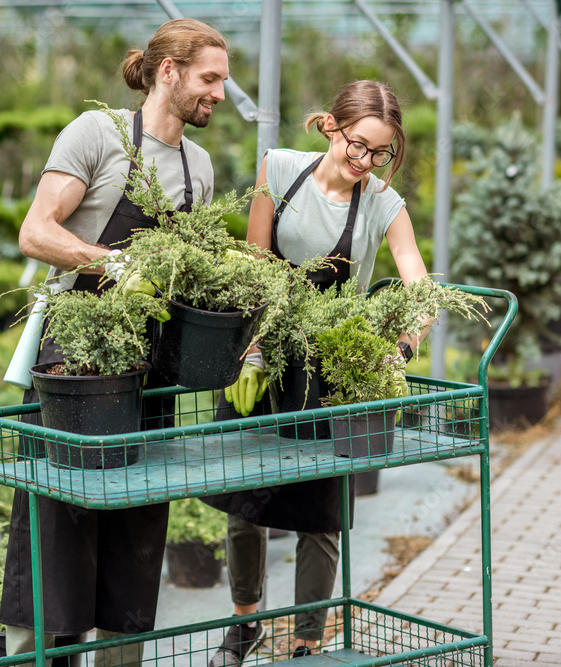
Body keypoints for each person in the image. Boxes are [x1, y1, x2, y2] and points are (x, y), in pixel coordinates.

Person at [0, 18, 229, 667]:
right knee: (56, 523)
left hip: (148, 368)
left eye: (222, 82)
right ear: (169, 71)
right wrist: (116, 265)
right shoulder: (98, 135)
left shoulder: (197, 165)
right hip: (74, 356)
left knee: (136, 529)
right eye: (210, 79)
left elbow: (187, 273)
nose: (218, 93)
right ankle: (37, 657)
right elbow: (36, 232)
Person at [204, 80, 430, 666]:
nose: (366, 162)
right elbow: (256, 264)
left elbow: (421, 290)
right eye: (358, 146)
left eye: (381, 153)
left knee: (319, 513)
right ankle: (244, 622)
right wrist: (251, 348)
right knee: (244, 501)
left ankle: (308, 636)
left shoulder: (384, 202)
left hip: (329, 371)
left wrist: (400, 348)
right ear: (331, 126)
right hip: (262, 355)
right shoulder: (278, 170)